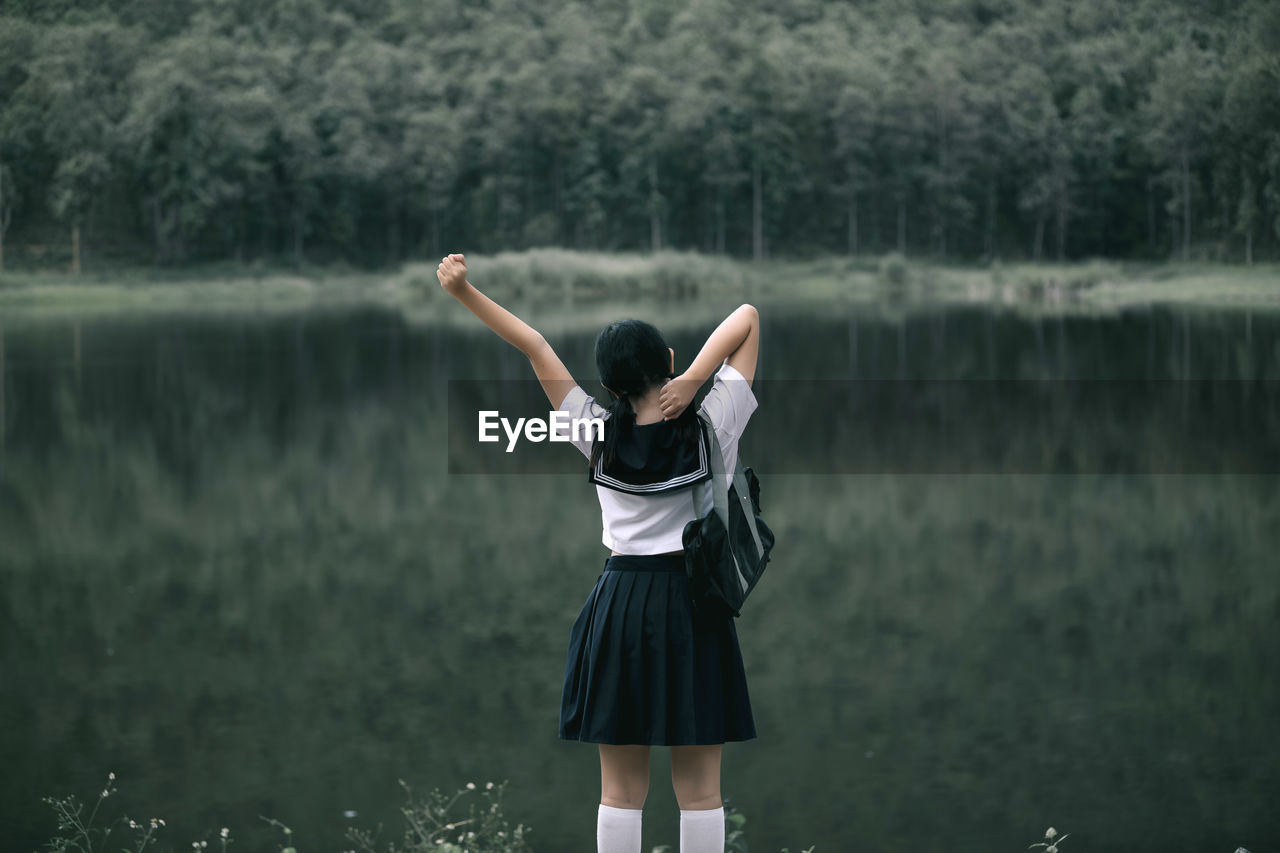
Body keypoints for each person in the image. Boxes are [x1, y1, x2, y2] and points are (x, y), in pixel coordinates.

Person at [436, 253, 761, 853]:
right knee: (700, 792)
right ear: (666, 362)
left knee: (620, 791)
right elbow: (746, 317)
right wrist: (694, 378)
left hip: (621, 605)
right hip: (696, 605)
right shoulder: (713, 421)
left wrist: (463, 291)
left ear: (608, 386)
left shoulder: (594, 431)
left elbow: (534, 345)